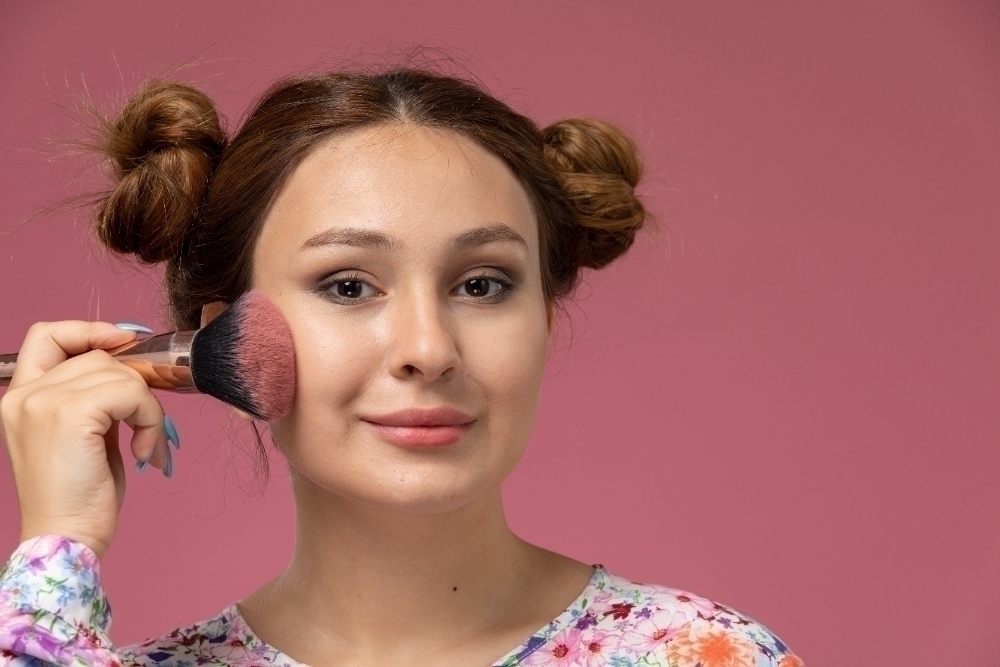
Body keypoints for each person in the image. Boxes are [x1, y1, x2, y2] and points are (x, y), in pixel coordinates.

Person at [0, 66, 803, 667]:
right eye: (348, 285)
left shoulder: (700, 654)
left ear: (545, 320)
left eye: (482, 284)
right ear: (224, 338)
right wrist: (57, 549)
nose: (428, 348)